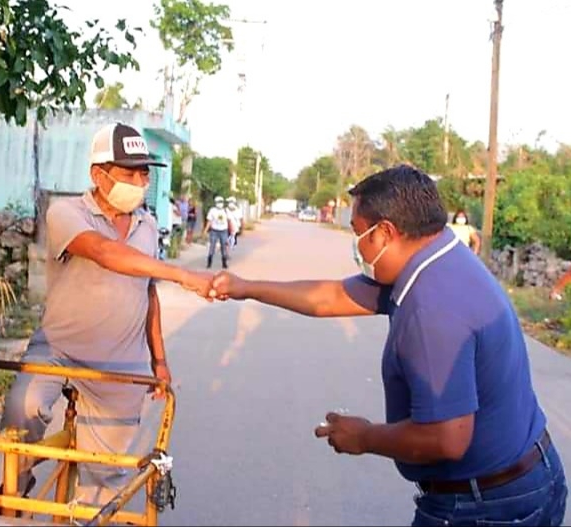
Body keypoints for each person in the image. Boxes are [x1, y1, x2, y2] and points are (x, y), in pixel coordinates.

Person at [210, 165, 567, 526]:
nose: (358, 246)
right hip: (532, 472)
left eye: (358, 233)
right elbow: (331, 296)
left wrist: (364, 437)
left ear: (385, 232)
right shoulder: (440, 258)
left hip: (485, 506)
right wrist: (246, 287)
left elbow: (448, 439)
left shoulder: (431, 307)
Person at [0, 123, 213, 505]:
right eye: (130, 172)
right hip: (59, 348)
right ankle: (19, 483)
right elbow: (104, 252)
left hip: (121, 362)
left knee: (105, 477)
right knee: (22, 411)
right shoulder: (66, 212)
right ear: (98, 174)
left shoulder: (148, 224)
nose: (141, 180)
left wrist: (159, 359)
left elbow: (148, 292)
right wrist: (183, 273)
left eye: (144, 172)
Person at [203, 196, 231, 269]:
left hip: (224, 230)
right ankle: (209, 262)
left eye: (221, 202)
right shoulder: (212, 210)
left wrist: (230, 231)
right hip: (214, 230)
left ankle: (224, 263)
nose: (220, 203)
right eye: (218, 202)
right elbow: (209, 221)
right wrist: (205, 230)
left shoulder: (226, 210)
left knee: (223, 246)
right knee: (212, 246)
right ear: (215, 203)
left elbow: (229, 221)